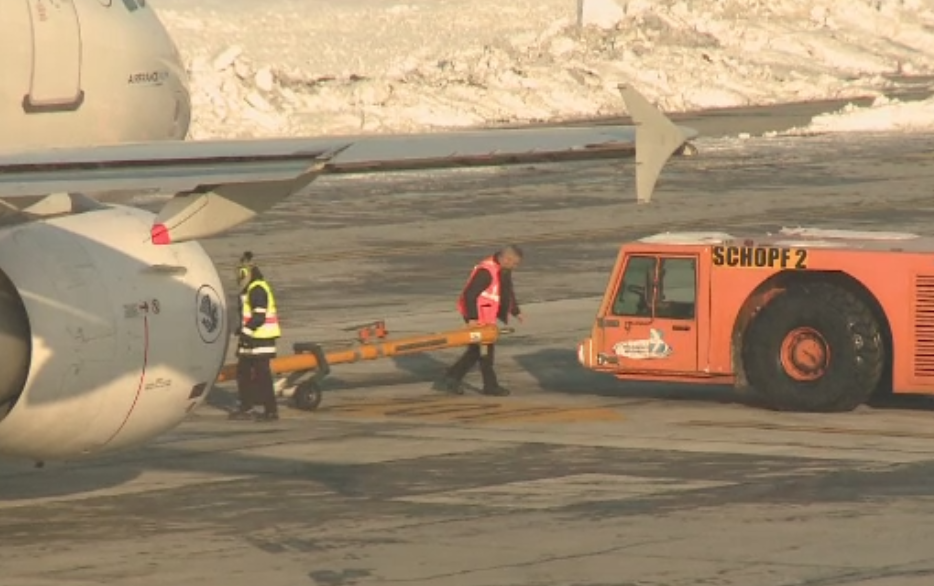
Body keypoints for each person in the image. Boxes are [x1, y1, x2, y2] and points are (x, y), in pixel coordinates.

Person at [434, 245, 525, 396]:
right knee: (483, 352)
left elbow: (507, 291)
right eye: (514, 263)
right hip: (478, 317)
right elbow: (469, 295)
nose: (515, 267)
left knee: (477, 352)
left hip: (485, 316)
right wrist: (472, 319)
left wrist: (515, 311)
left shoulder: (503, 269)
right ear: (506, 259)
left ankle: (453, 379)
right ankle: (486, 385)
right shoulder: (486, 272)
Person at [229, 265, 281, 421]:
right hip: (251, 340)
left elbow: (259, 317)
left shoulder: (257, 290)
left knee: (262, 376)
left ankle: (270, 411)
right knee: (243, 373)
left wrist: (245, 332)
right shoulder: (250, 290)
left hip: (260, 340)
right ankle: (247, 407)